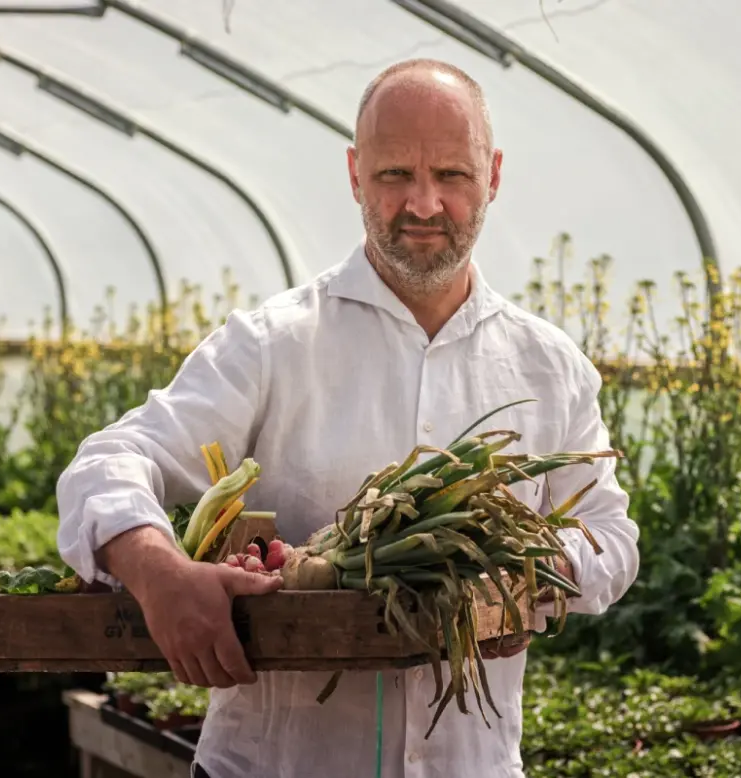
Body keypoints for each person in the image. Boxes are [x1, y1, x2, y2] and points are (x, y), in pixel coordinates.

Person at [56, 58, 640, 778]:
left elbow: (612, 539)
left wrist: (533, 573)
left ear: (492, 175)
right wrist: (158, 573)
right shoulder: (273, 345)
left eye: (451, 176)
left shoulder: (547, 366)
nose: (424, 204)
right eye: (396, 174)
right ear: (355, 173)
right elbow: (109, 461)